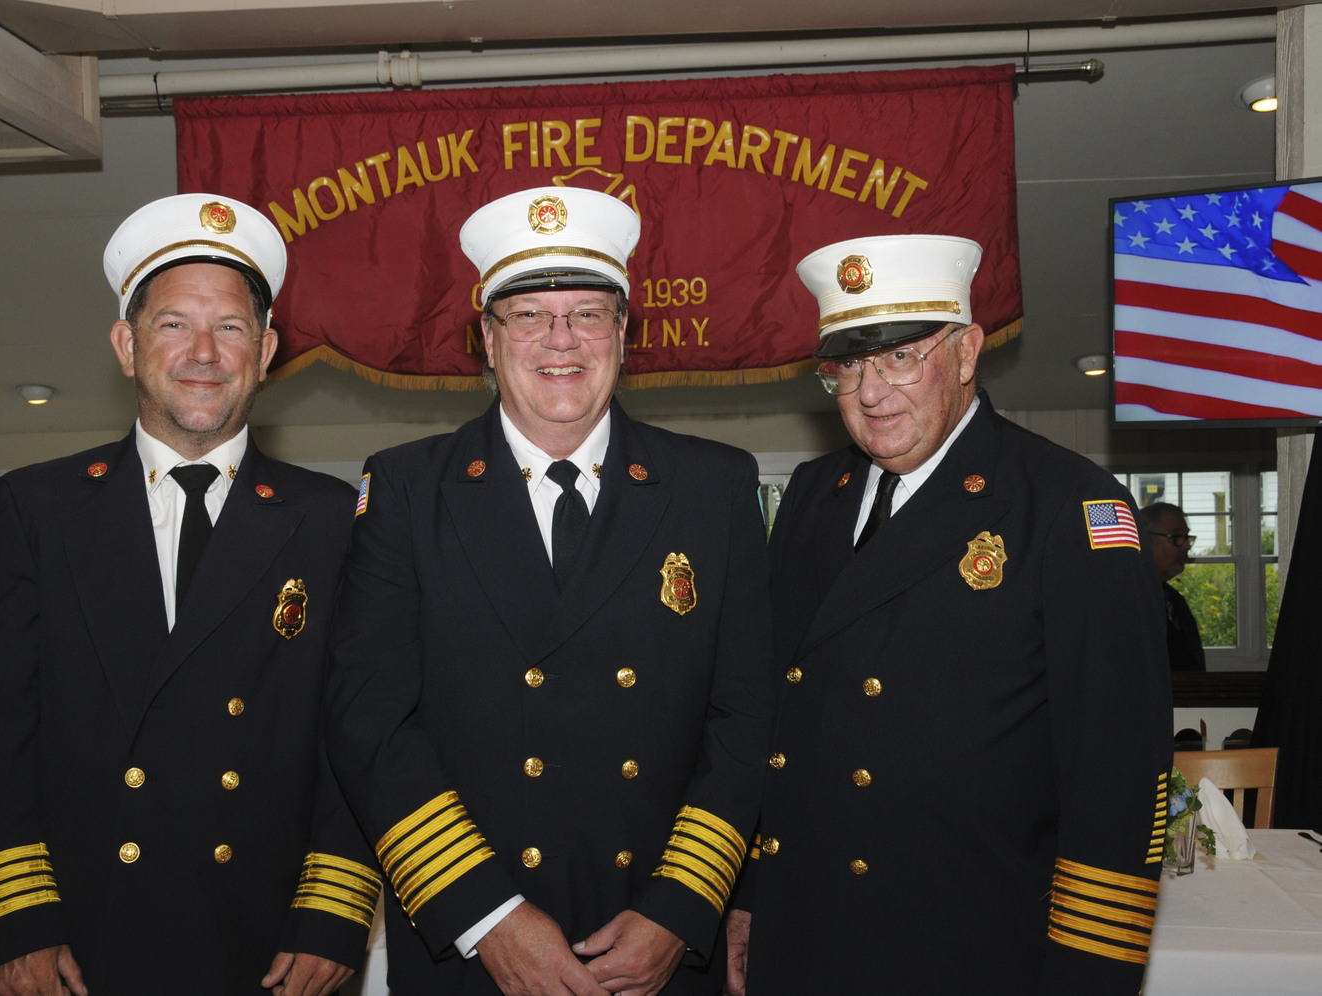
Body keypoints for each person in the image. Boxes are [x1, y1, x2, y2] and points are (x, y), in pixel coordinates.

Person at [326, 185, 773, 996]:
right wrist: (487, 918)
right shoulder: (405, 489)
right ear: (487, 342)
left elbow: (746, 717)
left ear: (624, 336)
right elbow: (369, 720)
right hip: (474, 949)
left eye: (588, 314)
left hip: (657, 946)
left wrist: (680, 907)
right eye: (529, 314)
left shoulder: (713, 485)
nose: (560, 339)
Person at [0, 194, 379, 996]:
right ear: (126, 344)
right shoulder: (38, 509)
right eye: (174, 324)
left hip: (274, 943)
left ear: (269, 347)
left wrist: (333, 911)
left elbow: (359, 735)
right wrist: (14, 925)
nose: (204, 352)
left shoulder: (331, 519)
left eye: (233, 327)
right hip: (82, 941)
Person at [729, 235, 1171, 995]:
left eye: (900, 357)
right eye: (846, 366)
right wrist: (748, 902)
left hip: (968, 946)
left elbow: (1118, 777)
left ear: (966, 352)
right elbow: (777, 720)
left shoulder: (1068, 505)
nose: (871, 393)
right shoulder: (809, 495)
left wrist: (1089, 978)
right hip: (804, 938)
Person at [1140, 501, 1206, 672]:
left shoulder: (1175, 601)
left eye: (1186, 537)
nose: (1187, 545)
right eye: (1176, 537)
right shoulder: (1123, 601)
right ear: (1144, 540)